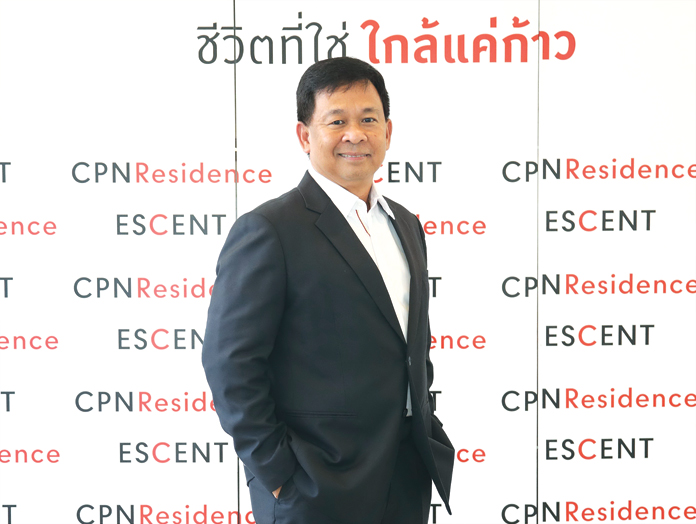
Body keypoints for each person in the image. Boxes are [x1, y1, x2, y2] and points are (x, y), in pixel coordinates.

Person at [202, 56, 454, 524]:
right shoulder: (270, 229)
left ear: (388, 132)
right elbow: (231, 364)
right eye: (337, 121)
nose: (355, 134)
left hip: (405, 477)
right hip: (315, 486)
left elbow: (408, 348)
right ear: (305, 136)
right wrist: (279, 474)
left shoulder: (406, 224)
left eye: (368, 120)